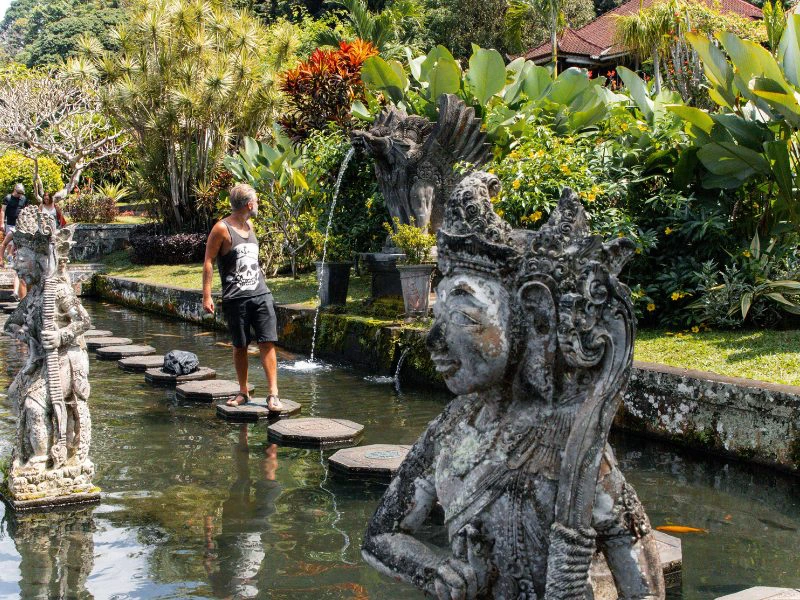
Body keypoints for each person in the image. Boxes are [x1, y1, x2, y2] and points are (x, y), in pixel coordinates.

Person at [203, 183, 282, 411]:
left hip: (261, 294)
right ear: (249, 204)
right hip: (236, 298)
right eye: (256, 201)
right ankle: (243, 391)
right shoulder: (221, 228)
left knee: (267, 341)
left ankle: (273, 394)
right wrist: (206, 295)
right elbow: (208, 261)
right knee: (240, 346)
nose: (257, 204)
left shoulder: (250, 225)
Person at [2, 183, 28, 299]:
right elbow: (3, 211)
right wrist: (1, 223)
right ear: (14, 191)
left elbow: (26, 211)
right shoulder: (8, 198)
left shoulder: (23, 199)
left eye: (21, 194)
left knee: (16, 243)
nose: (19, 196)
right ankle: (10, 257)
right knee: (10, 242)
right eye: (18, 193)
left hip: (21, 224)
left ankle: (12, 257)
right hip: (10, 223)